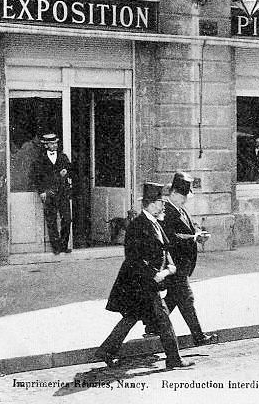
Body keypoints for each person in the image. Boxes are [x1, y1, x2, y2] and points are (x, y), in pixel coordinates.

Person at [95, 182, 194, 370]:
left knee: (132, 316)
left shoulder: (155, 222)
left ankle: (107, 350)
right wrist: (157, 274)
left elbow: (165, 248)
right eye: (160, 202)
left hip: (146, 282)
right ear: (150, 204)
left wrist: (170, 266)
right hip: (140, 282)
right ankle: (174, 359)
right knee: (163, 318)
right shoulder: (137, 226)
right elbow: (134, 258)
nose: (163, 205)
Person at [152, 172, 218, 346]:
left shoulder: (180, 209)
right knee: (187, 299)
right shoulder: (166, 212)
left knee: (174, 298)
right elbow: (170, 237)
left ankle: (151, 324)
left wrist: (197, 233)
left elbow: (189, 227)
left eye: (186, 196)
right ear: (173, 193)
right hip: (175, 263)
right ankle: (199, 337)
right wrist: (193, 238)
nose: (185, 199)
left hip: (183, 263)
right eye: (182, 196)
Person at [30, 133, 73, 254]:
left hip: (62, 193)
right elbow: (36, 176)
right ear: (46, 145)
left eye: (56, 143)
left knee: (67, 219)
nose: (55, 145)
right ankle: (56, 248)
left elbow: (71, 170)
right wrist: (41, 191)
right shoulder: (40, 159)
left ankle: (64, 245)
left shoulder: (63, 157)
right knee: (51, 220)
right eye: (52, 143)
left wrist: (67, 172)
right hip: (49, 193)